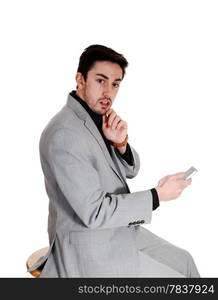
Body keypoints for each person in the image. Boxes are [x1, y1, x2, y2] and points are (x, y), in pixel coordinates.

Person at [28, 44, 200, 277]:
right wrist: (157, 196)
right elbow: (95, 212)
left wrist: (120, 144)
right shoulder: (65, 135)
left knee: (185, 261)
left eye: (115, 84)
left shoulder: (94, 117)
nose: (108, 91)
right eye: (101, 80)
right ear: (80, 79)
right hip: (89, 246)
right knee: (177, 280)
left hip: (117, 229)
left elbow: (130, 171)